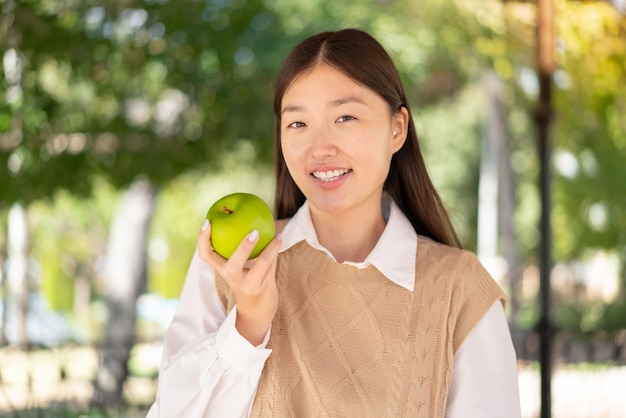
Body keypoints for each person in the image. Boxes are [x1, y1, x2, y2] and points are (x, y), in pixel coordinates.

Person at [146, 28, 521, 418]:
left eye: (345, 117)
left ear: (397, 129)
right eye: (298, 124)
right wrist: (248, 325)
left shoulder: (459, 291)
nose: (320, 148)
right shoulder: (233, 265)